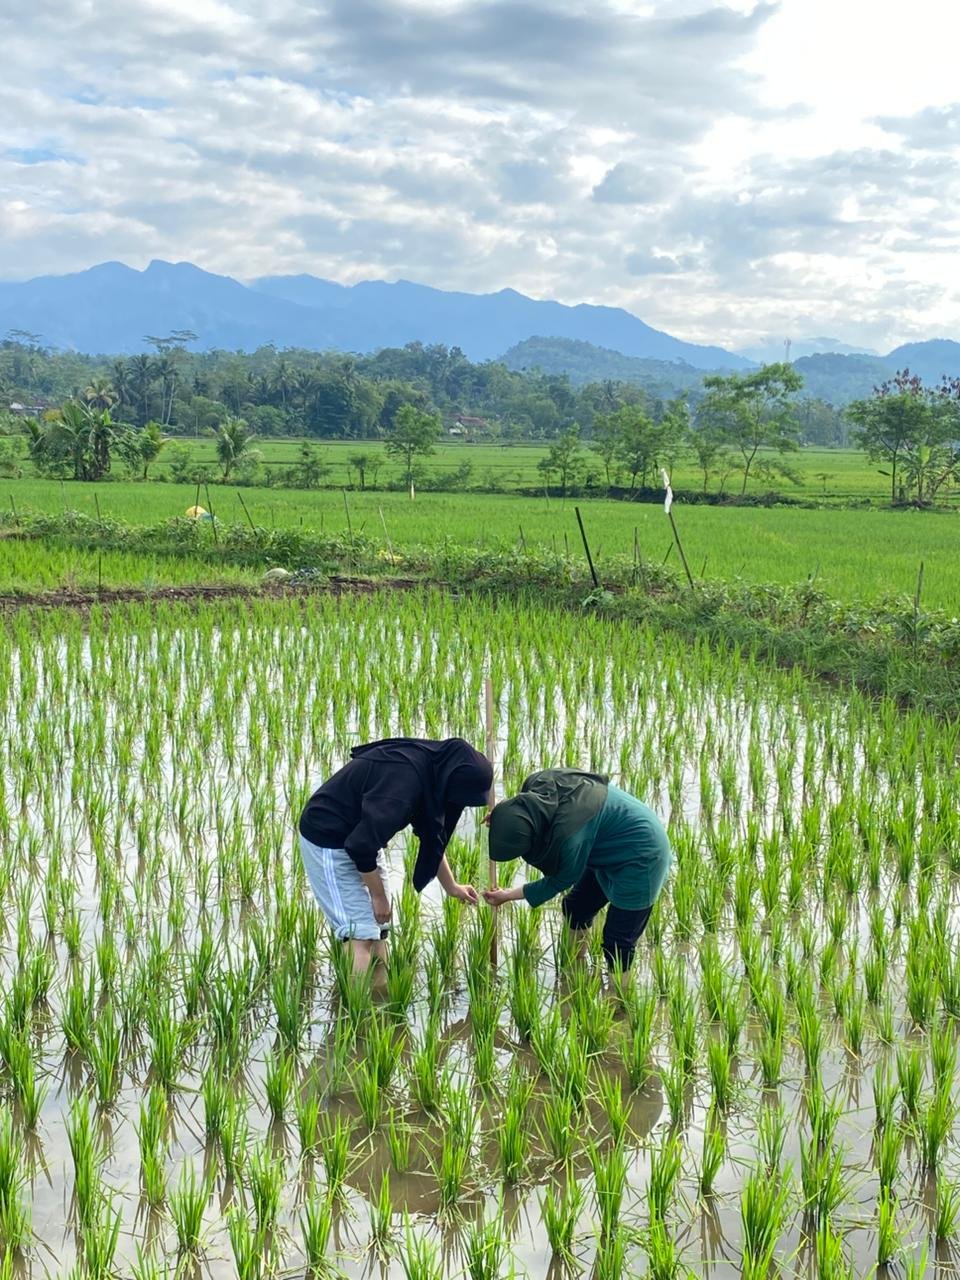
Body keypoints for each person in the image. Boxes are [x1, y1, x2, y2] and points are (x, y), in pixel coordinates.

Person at [298, 737, 492, 973]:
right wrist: (377, 895)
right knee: (359, 935)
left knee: (378, 928)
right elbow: (361, 847)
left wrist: (452, 887)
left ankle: (380, 1002)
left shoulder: (431, 771)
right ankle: (357, 1007)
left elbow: (431, 836)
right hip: (328, 838)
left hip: (363, 836)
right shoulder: (404, 785)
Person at [483, 768, 672, 974]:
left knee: (618, 943)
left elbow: (556, 882)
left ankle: (618, 999)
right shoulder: (538, 787)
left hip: (644, 855)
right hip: (608, 844)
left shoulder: (569, 837)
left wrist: (507, 895)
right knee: (576, 908)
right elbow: (519, 808)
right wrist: (503, 814)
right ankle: (575, 970)